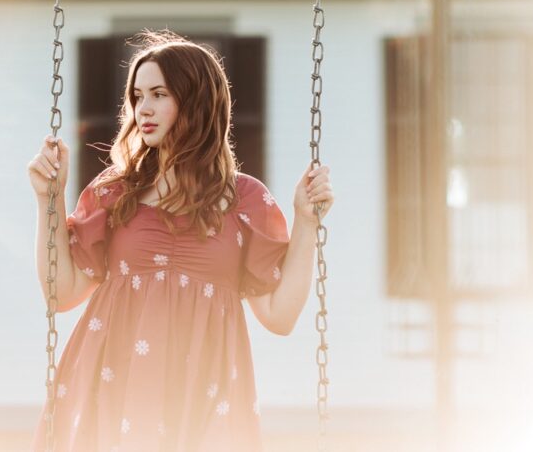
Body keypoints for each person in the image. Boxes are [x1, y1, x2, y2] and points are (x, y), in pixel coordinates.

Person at [27, 30, 334, 451]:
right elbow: (61, 294)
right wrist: (50, 199)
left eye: (159, 94)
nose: (143, 109)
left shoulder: (244, 200)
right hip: (116, 381)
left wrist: (305, 222)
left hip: (203, 390)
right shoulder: (116, 192)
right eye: (137, 96)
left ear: (196, 102)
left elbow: (279, 316)